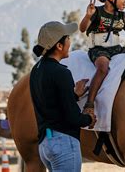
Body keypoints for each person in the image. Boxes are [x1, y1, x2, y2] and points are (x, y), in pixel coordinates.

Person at [30, 21, 96, 171]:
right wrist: (89, 118)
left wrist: (73, 95)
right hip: (64, 143)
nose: (70, 41)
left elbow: (51, 103)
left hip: (45, 143)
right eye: (67, 38)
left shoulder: (36, 70)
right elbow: (73, 117)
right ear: (59, 46)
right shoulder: (62, 72)